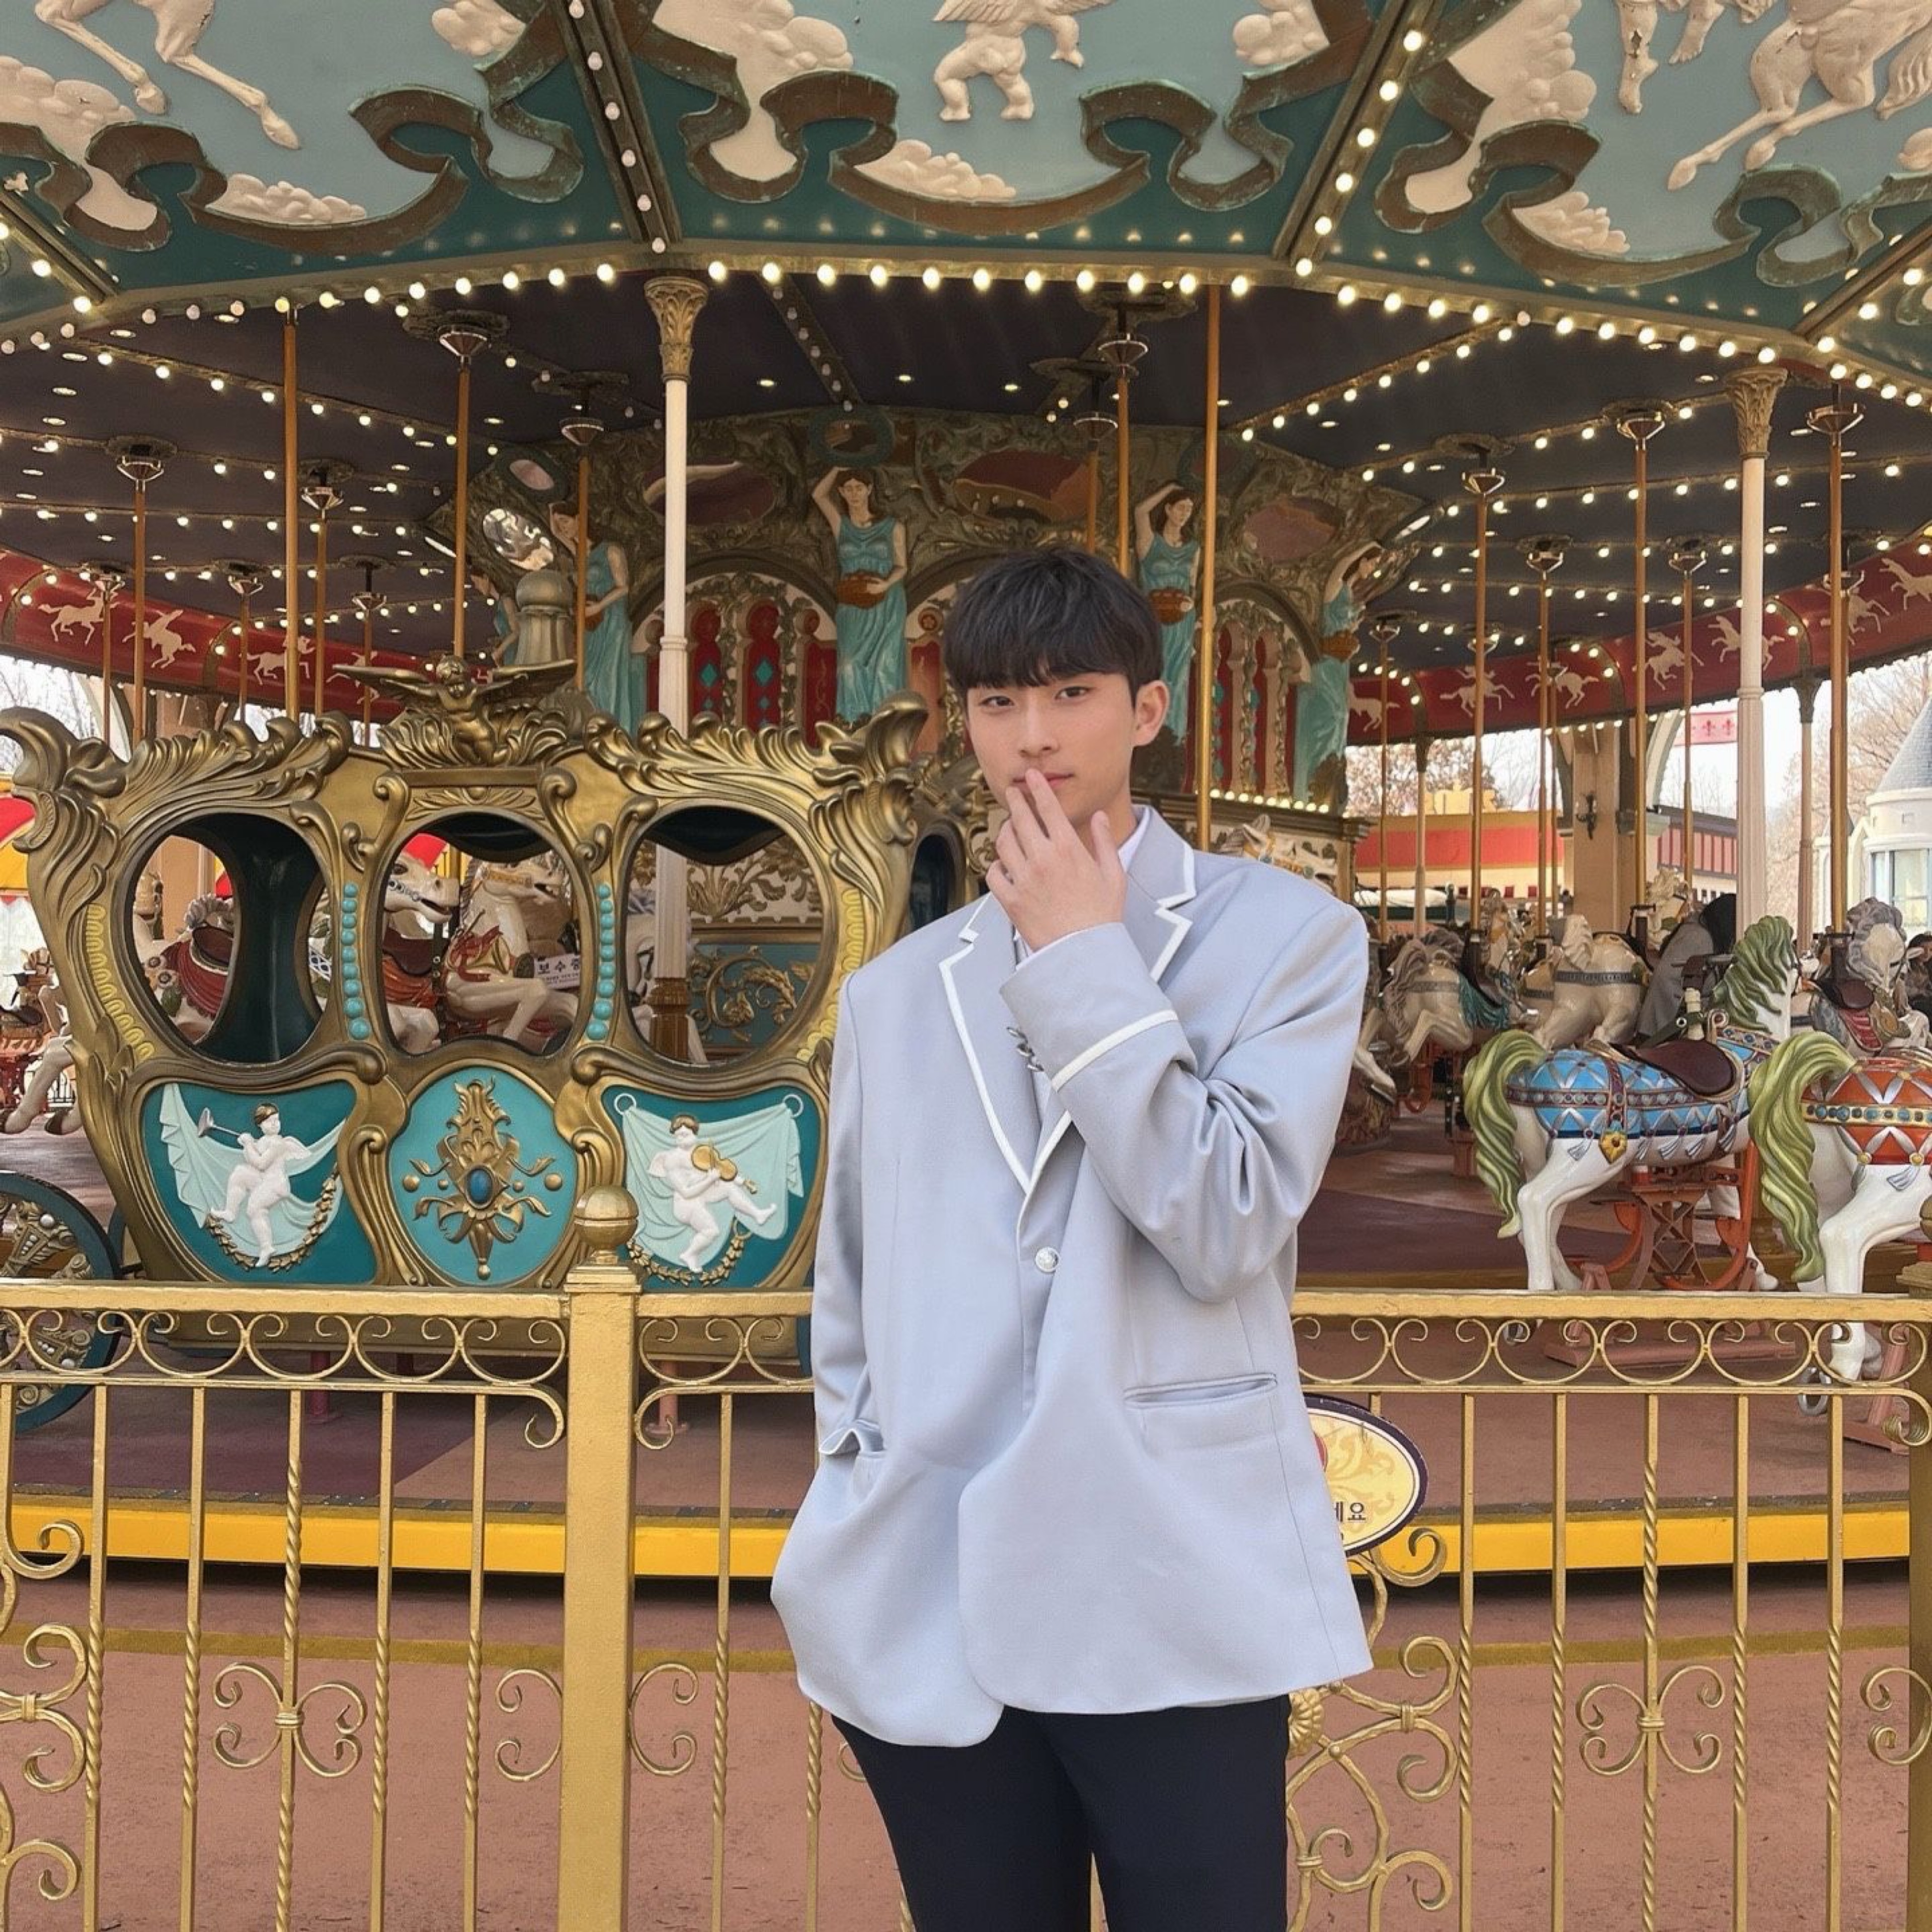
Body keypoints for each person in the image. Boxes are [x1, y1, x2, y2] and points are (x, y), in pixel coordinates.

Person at [770, 545, 1372, 1930]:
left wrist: (1082, 958)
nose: (1032, 735)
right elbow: (849, 1282)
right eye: (996, 702)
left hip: (1166, 1574)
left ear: (1146, 710)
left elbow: (1225, 1219)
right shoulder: (896, 992)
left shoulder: (1287, 937)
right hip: (928, 1581)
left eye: (1070, 693)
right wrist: (853, 1480)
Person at [812, 467, 908, 719]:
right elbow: (819, 495)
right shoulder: (841, 525)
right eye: (849, 489)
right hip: (852, 605)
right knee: (849, 666)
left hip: (887, 602)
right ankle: (854, 725)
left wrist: (884, 585)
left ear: (869, 490)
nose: (854, 494)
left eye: (859, 488)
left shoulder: (893, 527)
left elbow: (902, 566)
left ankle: (884, 728)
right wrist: (837, 466)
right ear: (842, 492)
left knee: (884, 669)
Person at [547, 506, 636, 728]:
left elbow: (624, 587)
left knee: (607, 676)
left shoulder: (611, 551)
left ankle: (610, 725)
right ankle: (591, 723)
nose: (562, 527)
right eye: (560, 523)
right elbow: (556, 533)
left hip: (611, 620)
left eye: (565, 521)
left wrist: (599, 607)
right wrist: (551, 507)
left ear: (579, 518)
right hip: (590, 622)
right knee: (586, 676)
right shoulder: (580, 553)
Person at [1133, 482, 1201, 727]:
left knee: (1179, 678)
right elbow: (1140, 512)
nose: (1185, 514)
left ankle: (1174, 732)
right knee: (1155, 671)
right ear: (1168, 509)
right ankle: (1151, 728)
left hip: (1182, 621)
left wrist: (1192, 605)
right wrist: (1169, 488)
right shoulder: (1151, 543)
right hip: (1155, 618)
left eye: (1189, 510)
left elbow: (1192, 584)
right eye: (1181, 508)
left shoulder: (1193, 548)